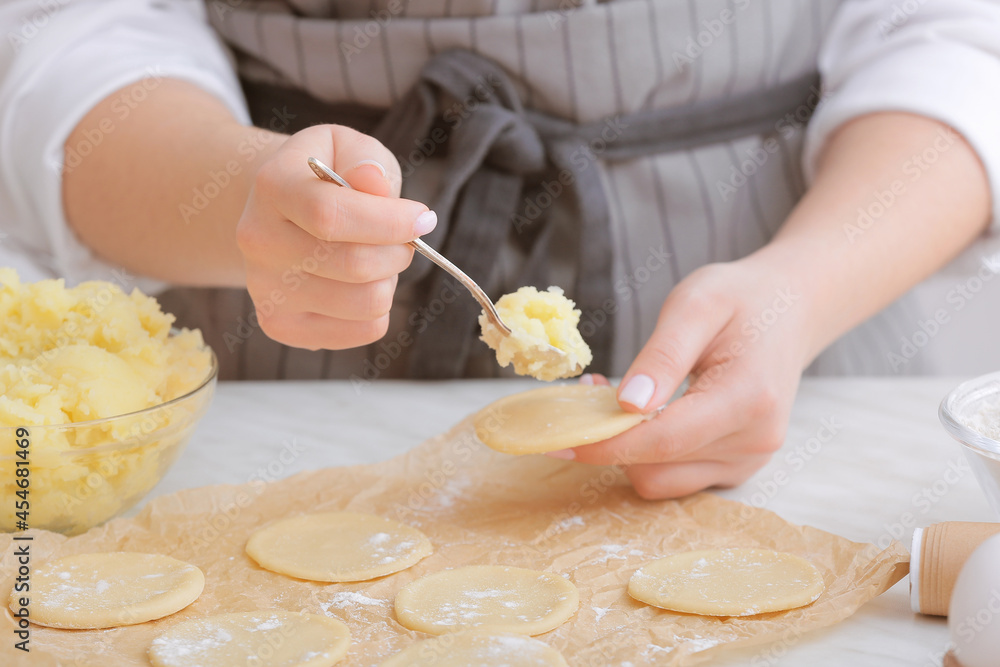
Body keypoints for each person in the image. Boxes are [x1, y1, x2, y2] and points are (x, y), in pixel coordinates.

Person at [1, 0, 999, 499]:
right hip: (275, 382)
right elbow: (78, 32)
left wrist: (802, 286)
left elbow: (957, 31)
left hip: (822, 355)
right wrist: (242, 198)